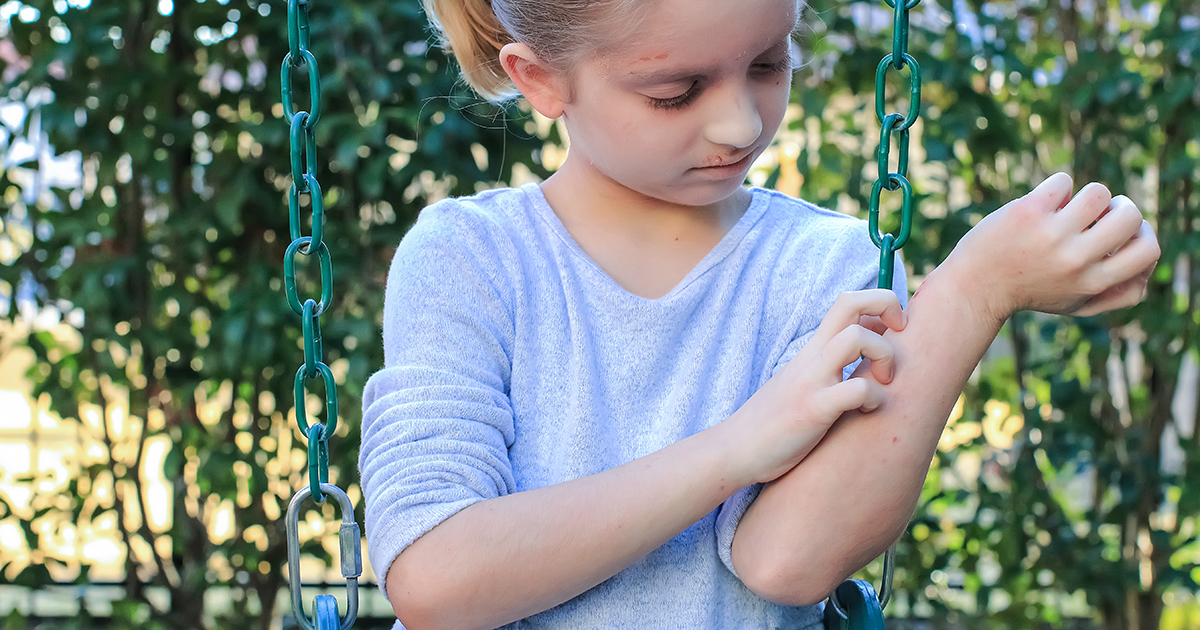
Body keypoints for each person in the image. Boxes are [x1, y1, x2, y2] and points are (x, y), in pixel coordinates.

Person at [358, 0, 1161, 627]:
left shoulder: (823, 265)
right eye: (677, 92)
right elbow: (437, 580)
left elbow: (787, 561)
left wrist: (976, 291)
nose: (740, 123)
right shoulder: (471, 259)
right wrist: (737, 447)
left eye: (768, 63)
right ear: (539, 79)